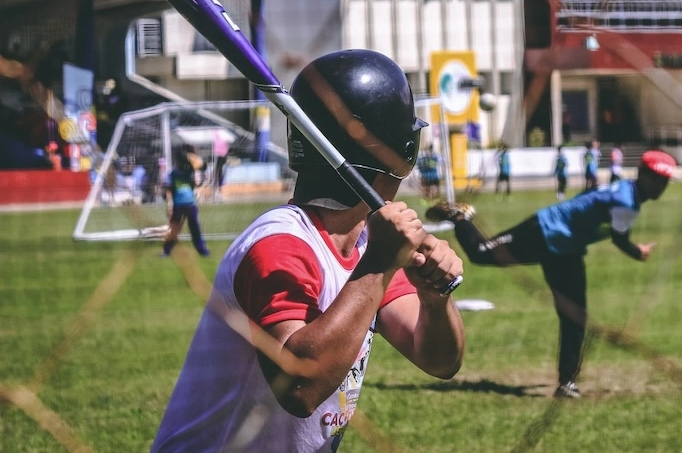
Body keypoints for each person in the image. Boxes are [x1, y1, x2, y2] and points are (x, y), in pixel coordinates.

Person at [151, 50, 465, 452]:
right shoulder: (280, 246)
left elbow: (439, 361)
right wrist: (378, 266)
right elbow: (299, 387)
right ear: (400, 149)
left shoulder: (369, 246)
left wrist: (435, 298)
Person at [426, 149, 676, 399]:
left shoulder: (622, 189)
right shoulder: (626, 202)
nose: (660, 185)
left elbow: (590, 201)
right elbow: (621, 240)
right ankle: (460, 216)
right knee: (480, 252)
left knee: (575, 317)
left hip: (566, 249)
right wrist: (637, 251)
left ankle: (567, 383)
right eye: (655, 178)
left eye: (664, 181)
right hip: (543, 231)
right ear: (642, 173)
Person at [160, 144, 210, 258]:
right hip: (177, 205)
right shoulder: (173, 174)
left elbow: (203, 167)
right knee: (174, 229)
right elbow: (168, 191)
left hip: (190, 205)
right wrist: (170, 205)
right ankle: (166, 251)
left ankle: (202, 250)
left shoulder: (191, 172)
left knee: (195, 229)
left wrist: (192, 157)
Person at [212, 128, 230, 201]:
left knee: (219, 175)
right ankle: (218, 192)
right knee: (219, 175)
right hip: (220, 161)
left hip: (220, 160)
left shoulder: (220, 167)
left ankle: (218, 192)